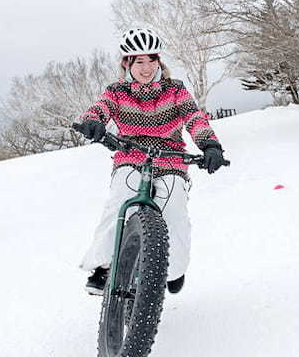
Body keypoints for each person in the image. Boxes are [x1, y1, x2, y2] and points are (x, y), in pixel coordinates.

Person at [77, 28, 227, 295]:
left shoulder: (174, 89)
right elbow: (100, 108)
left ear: (159, 61)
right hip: (130, 155)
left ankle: (173, 269)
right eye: (139, 62)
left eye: (151, 60)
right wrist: (93, 121)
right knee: (122, 195)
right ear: (127, 63)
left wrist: (210, 145)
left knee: (174, 204)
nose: (146, 68)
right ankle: (104, 266)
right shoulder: (117, 91)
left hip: (170, 158)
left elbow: (194, 118)